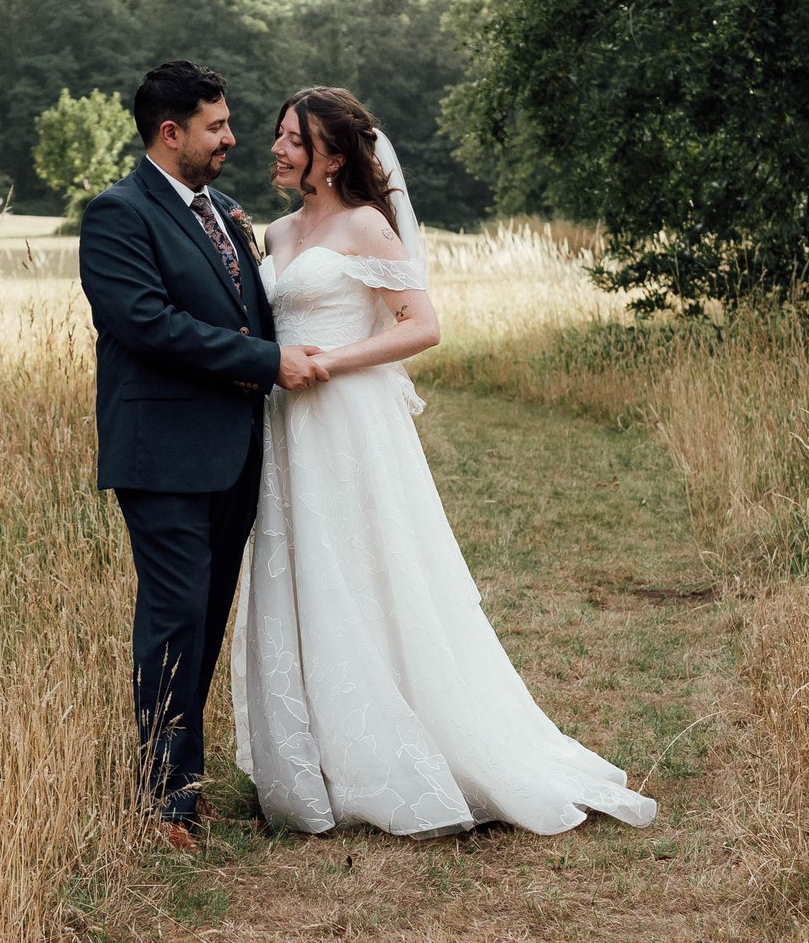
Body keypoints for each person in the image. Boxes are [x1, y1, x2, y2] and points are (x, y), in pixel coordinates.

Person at [234, 85, 659, 837]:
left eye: (293, 138)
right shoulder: (272, 231)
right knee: (304, 572)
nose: (277, 147)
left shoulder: (366, 225)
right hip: (287, 426)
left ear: (333, 155)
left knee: (367, 570)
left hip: (345, 417)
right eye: (277, 134)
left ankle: (407, 750)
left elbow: (421, 325)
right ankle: (324, 756)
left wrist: (330, 360)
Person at [78, 60, 330, 853]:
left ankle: (182, 782)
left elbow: (244, 304)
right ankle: (158, 801)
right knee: (173, 616)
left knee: (207, 617)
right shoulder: (117, 215)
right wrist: (265, 363)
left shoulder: (223, 209)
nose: (232, 137)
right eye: (217, 125)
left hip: (233, 452)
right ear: (170, 132)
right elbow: (149, 324)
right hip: (160, 454)